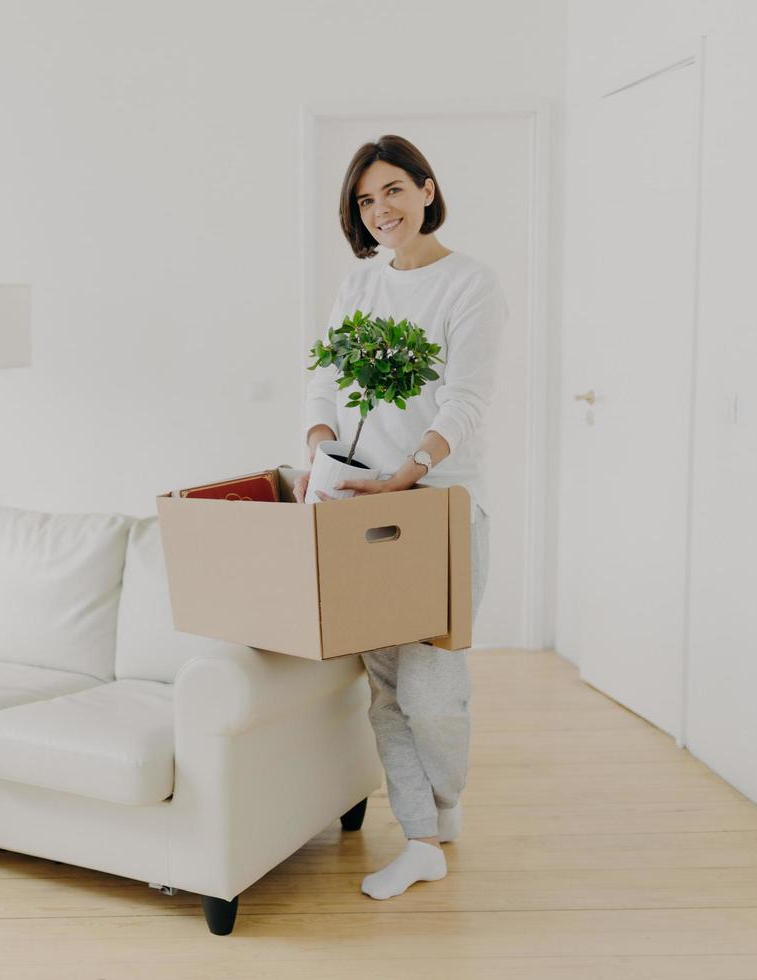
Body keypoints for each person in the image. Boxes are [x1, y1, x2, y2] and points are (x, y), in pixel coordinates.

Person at [296, 134, 507, 901]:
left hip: (439, 508)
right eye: (364, 199)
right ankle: (421, 837)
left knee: (434, 692)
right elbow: (322, 374)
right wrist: (319, 443)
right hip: (356, 506)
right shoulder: (360, 284)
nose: (379, 209)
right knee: (386, 689)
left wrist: (412, 472)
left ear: (426, 188)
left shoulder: (471, 285)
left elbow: (466, 400)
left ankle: (443, 807)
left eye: (391, 190)